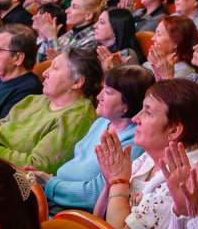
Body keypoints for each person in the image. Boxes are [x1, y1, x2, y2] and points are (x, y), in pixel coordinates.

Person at [95, 79, 198, 229]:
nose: (135, 119)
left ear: (174, 130)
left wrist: (118, 182)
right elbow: (100, 217)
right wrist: (111, 183)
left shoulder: (187, 177)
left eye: (147, 112)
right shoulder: (155, 154)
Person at [40, 65, 152, 214]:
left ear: (127, 104)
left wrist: (50, 184)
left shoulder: (133, 142)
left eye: (107, 92)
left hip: (75, 213)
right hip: (56, 198)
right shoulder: (102, 122)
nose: (99, 97)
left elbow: (97, 194)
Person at [0, 48, 99, 174]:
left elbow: (37, 167)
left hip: (7, 180)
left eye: (55, 68)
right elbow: (0, 126)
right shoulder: (34, 100)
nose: (45, 73)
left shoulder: (76, 118)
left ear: (77, 82)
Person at [148, 15, 198, 80]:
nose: (153, 38)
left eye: (159, 34)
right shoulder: (150, 63)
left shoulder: (183, 72)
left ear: (176, 42)